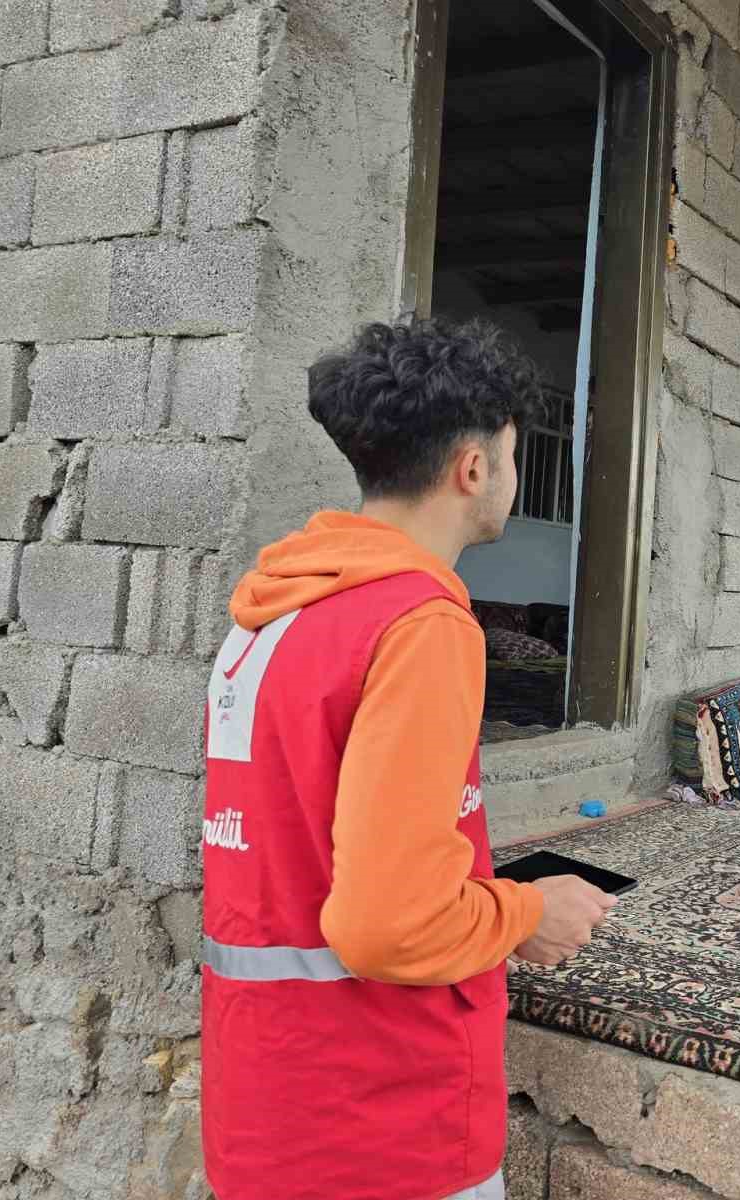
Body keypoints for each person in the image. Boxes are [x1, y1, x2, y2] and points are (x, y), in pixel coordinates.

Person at [200, 318, 616, 1200]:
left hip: (269, 1105)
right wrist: (525, 911)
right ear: (474, 470)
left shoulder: (276, 609)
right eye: (510, 456)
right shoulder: (419, 624)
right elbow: (388, 924)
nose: (508, 476)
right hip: (384, 1121)